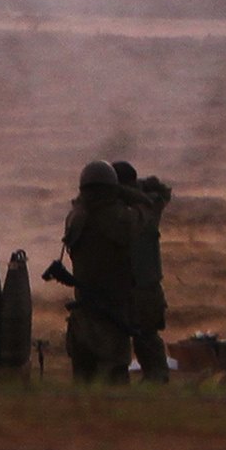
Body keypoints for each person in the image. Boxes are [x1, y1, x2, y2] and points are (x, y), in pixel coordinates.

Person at [59, 159, 140, 384]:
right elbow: (142, 220)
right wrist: (132, 195)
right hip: (111, 313)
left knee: (83, 382)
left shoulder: (75, 217)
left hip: (82, 312)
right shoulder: (121, 218)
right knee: (115, 380)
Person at [111, 159, 173, 384]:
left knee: (145, 337)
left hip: (142, 285)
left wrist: (128, 190)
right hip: (133, 285)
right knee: (136, 337)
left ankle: (156, 378)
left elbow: (161, 191)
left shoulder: (143, 208)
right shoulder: (145, 205)